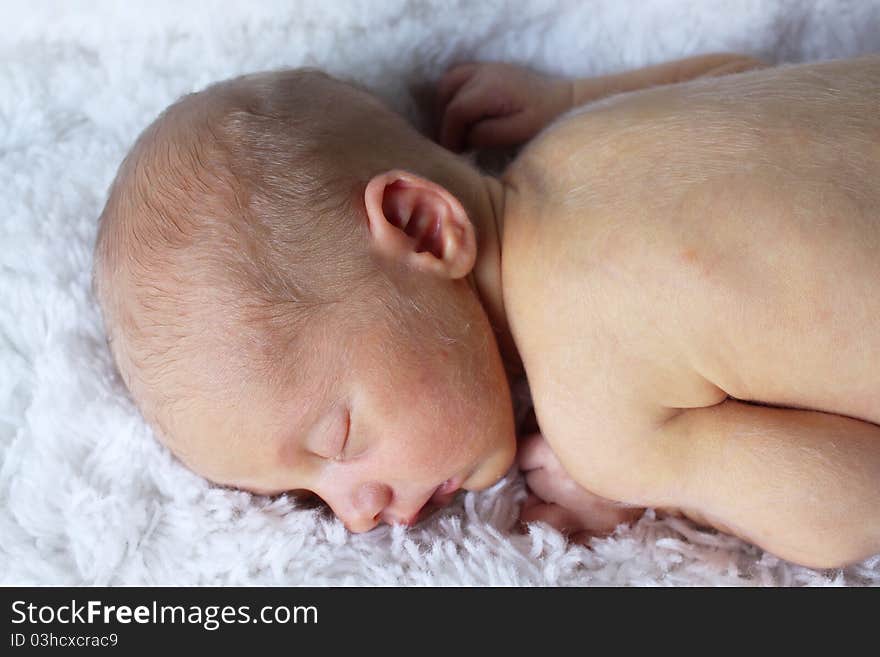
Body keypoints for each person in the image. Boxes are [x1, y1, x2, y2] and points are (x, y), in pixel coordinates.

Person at [93, 52, 880, 569]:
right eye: (313, 496)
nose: (358, 515)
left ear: (424, 228)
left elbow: (857, 506)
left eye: (337, 439)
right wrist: (575, 95)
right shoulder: (583, 138)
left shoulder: (597, 412)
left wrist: (663, 476)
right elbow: (747, 75)